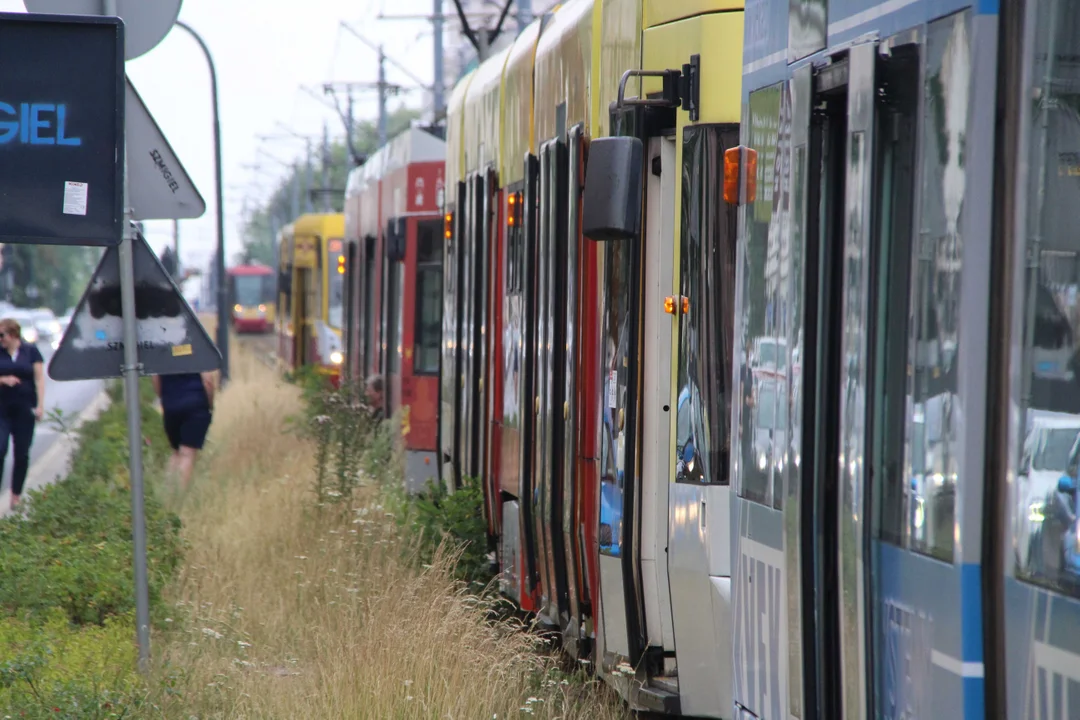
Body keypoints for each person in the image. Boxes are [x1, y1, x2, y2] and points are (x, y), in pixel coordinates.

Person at [0, 317, 45, 509]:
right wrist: (3, 380)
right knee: (0, 449)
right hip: (2, 409)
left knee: (22, 453)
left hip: (24, 408)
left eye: (2, 335)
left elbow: (39, 379)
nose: (0, 339)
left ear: (13, 335)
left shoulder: (31, 351)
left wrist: (40, 405)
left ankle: (16, 494)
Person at [151, 371, 216, 491]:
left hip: (170, 405)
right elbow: (208, 380)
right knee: (187, 453)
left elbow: (155, 377)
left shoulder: (162, 352)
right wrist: (210, 404)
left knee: (176, 452)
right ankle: (178, 496)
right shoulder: (199, 351)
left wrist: (165, 398)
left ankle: (167, 493)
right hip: (195, 404)